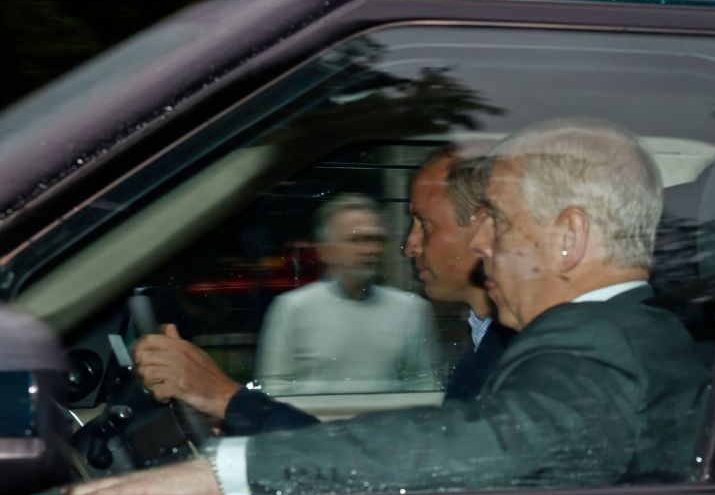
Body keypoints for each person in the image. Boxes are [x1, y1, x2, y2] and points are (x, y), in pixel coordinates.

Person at [71, 117, 712, 495]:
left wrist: (221, 475)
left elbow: (484, 446)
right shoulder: (626, 332)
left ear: (568, 238)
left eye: (499, 221)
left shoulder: (602, 347)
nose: (482, 243)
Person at [133, 148, 508, 433]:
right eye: (355, 240)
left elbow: (407, 467)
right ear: (327, 251)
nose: (407, 247)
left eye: (424, 225)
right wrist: (235, 411)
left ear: (482, 231)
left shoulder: (509, 356)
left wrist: (225, 399)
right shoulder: (488, 345)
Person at [251, 193, 439, 396]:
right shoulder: (292, 308)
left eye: (375, 239)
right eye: (356, 239)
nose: (370, 249)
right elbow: (274, 391)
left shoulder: (411, 309)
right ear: (326, 252)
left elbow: (424, 388)